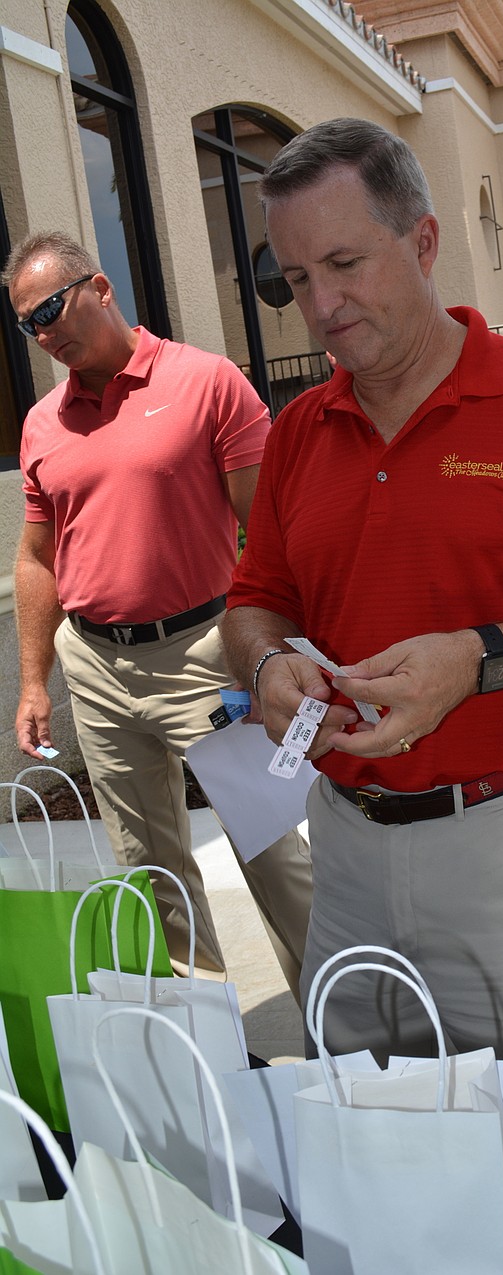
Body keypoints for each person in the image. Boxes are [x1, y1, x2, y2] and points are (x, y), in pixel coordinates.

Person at [221, 118, 503, 1168]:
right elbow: (253, 602)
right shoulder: (295, 434)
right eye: (295, 278)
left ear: (424, 242)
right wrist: (264, 665)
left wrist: (477, 657)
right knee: (377, 1141)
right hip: (344, 846)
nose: (322, 306)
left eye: (345, 262)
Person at [4, 231, 312, 990]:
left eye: (51, 307)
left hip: (209, 651)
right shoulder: (44, 422)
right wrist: (36, 681)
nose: (45, 331)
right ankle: (207, 1047)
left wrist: (285, 649)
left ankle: (346, 1033)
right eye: (27, 323)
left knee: (271, 848)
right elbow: (36, 559)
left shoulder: (206, 382)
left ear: (100, 287)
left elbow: (273, 534)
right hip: (98, 666)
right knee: (149, 870)